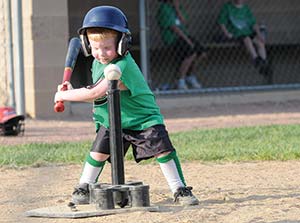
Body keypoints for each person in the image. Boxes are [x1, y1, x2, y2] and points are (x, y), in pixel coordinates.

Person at [54, 5, 199, 206]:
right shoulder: (97, 63)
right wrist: (70, 90)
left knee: (163, 151)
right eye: (95, 48)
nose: (101, 53)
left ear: (122, 44)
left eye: (107, 48)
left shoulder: (121, 65)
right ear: (87, 46)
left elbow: (95, 92)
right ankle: (84, 186)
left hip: (142, 119)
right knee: (98, 152)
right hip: (113, 119)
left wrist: (63, 94)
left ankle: (179, 189)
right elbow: (93, 90)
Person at [156, 0, 206, 90]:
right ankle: (180, 80)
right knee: (191, 52)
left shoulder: (177, 8)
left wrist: (177, 8)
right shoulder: (164, 9)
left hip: (184, 36)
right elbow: (174, 28)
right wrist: (188, 41)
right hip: (173, 39)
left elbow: (184, 22)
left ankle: (189, 75)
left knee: (202, 53)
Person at [217, 0, 272, 78]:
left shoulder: (246, 8)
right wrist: (226, 33)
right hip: (236, 33)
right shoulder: (227, 7)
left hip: (248, 31)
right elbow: (221, 22)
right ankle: (256, 59)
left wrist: (259, 35)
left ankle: (263, 64)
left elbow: (253, 23)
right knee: (247, 39)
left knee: (260, 43)